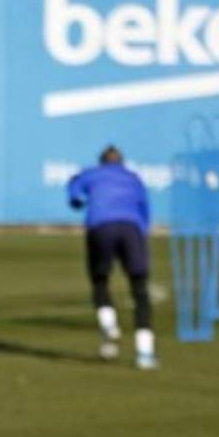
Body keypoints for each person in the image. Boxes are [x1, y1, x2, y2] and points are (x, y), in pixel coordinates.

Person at [67, 145, 157, 370]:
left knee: (100, 280)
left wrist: (76, 201)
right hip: (131, 229)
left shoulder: (92, 173)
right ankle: (145, 353)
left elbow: (74, 187)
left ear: (102, 162)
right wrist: (141, 236)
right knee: (140, 289)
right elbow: (145, 210)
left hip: (100, 227)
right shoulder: (133, 177)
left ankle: (109, 326)